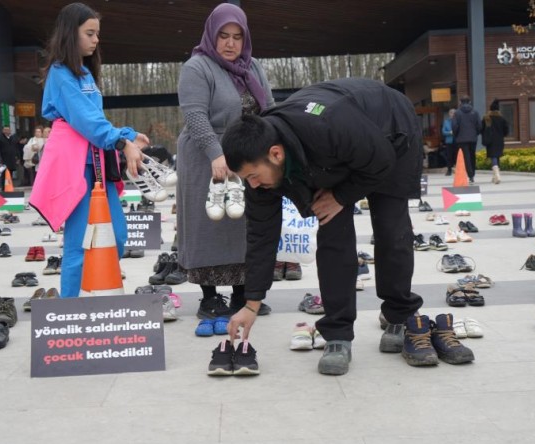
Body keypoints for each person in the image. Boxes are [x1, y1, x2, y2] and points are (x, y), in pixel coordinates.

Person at [221, 78, 426, 375]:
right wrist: (252, 303)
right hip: (331, 152)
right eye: (246, 179)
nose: (253, 185)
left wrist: (342, 195)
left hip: (390, 132)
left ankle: (399, 313)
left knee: (391, 229)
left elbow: (381, 160)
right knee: (333, 236)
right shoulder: (258, 163)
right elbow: (261, 235)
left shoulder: (329, 126)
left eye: (254, 176)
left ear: (276, 154)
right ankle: (338, 334)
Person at [29, 2, 147, 298]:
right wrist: (122, 141)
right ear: (71, 34)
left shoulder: (84, 74)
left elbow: (95, 120)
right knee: (80, 244)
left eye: (97, 34)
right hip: (75, 168)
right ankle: (71, 310)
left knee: (117, 237)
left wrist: (129, 135)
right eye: (90, 33)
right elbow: (84, 120)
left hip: (98, 167)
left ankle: (94, 293)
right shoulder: (59, 73)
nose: (96, 40)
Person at [176, 3, 274, 318]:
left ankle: (243, 295)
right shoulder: (197, 67)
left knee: (245, 224)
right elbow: (195, 115)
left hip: (247, 155)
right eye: (223, 36)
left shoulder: (253, 66)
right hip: (207, 154)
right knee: (210, 223)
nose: (230, 44)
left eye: (237, 37)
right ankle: (209, 297)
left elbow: (269, 107)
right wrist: (216, 154)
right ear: (211, 36)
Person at [452, 96, 482, 183]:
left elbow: (454, 126)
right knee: (472, 155)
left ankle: (470, 174)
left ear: (460, 102)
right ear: (469, 102)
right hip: (473, 138)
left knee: (466, 157)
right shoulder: (475, 112)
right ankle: (472, 174)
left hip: (461, 139)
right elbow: (479, 125)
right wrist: (475, 133)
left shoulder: (457, 113)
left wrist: (457, 135)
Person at [481, 99, 510, 184]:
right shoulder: (502, 119)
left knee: (493, 156)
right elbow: (506, 130)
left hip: (490, 141)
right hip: (499, 140)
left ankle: (496, 175)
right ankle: (495, 176)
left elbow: (481, 129)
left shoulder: (486, 118)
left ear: (490, 109)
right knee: (497, 156)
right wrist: (502, 135)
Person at [441, 108, 456, 176]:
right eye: (451, 113)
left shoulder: (458, 121)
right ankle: (449, 170)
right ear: (449, 114)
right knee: (449, 156)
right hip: (449, 141)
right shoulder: (446, 121)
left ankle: (458, 169)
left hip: (457, 141)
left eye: (454, 113)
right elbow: (443, 132)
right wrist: (450, 132)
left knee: (457, 156)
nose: (452, 114)